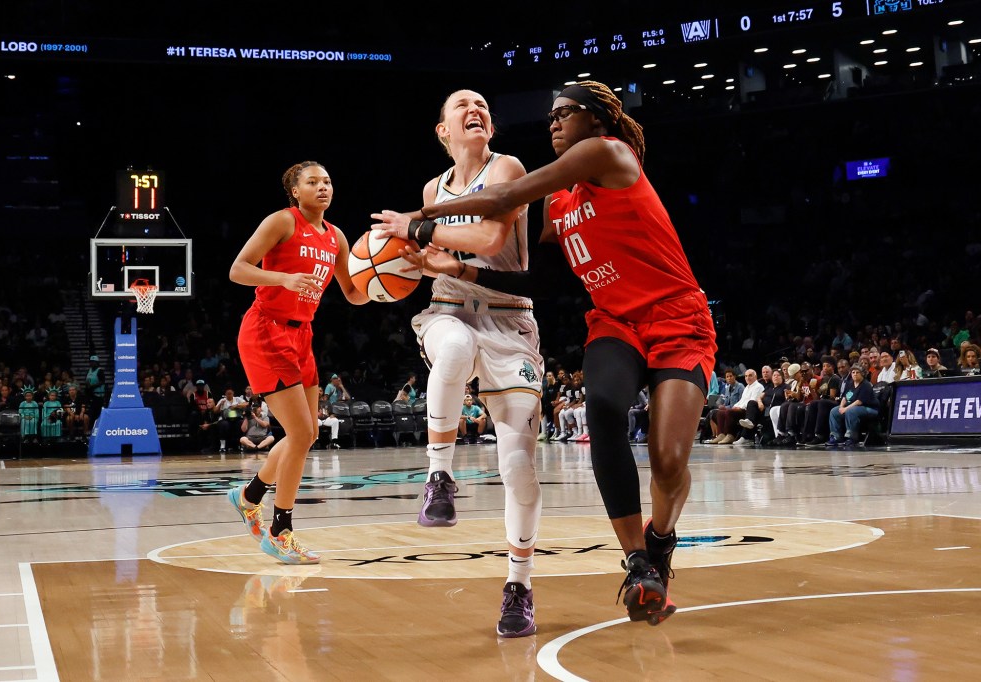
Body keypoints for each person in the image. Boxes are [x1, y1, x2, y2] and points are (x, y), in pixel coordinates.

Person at [376, 80, 717, 626]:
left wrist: (421, 221)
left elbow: (505, 198)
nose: (553, 122)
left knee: (669, 459)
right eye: (551, 115)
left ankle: (660, 543)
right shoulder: (560, 202)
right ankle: (636, 564)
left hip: (677, 319)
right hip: (615, 322)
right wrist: (441, 263)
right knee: (603, 410)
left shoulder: (609, 153)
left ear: (597, 119)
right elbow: (526, 262)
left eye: (564, 113)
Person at [373, 88, 543, 638]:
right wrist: (412, 264)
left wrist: (420, 232)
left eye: (484, 106)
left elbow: (492, 235)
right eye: (462, 105)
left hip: (509, 320)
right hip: (449, 308)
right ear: (442, 131)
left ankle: (519, 585)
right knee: (450, 348)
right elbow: (438, 255)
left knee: (518, 468)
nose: (477, 110)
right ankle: (439, 474)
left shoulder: (508, 166)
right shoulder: (432, 188)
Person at [225, 161, 369, 563]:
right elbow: (238, 270)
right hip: (266, 329)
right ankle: (279, 530)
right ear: (295, 191)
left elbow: (353, 293)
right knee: (303, 432)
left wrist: (387, 284)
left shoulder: (336, 237)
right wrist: (282, 279)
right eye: (313, 182)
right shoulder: (281, 222)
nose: (322, 187)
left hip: (301, 335)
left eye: (327, 180)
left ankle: (248, 495)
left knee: (304, 436)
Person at [827, 366, 880, 447]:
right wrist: (841, 407)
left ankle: (852, 437)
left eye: (857, 372)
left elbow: (859, 402)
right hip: (853, 407)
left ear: (862, 374)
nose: (855, 374)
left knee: (851, 411)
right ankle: (835, 437)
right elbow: (845, 397)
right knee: (834, 411)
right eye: (853, 372)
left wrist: (845, 409)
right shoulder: (850, 383)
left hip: (870, 408)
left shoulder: (866, 385)